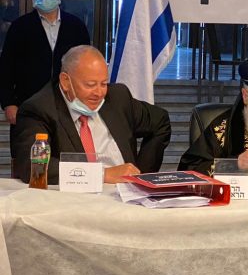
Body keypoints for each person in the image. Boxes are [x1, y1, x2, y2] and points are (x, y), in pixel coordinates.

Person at [14, 45, 171, 185]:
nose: (99, 93)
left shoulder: (118, 98)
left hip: (125, 198)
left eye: (103, 84)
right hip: (74, 201)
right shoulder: (39, 109)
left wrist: (141, 176)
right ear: (65, 81)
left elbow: (160, 122)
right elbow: (32, 167)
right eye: (90, 85)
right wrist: (102, 174)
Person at [0, 0, 90, 127]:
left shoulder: (76, 27)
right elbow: (6, 68)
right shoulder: (19, 27)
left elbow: (85, 67)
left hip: (69, 108)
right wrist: (8, 103)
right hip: (28, 107)